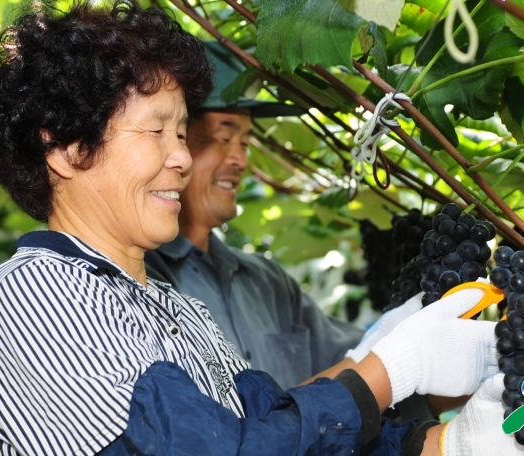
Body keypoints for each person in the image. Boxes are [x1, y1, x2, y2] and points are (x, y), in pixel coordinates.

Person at [0, 2, 524, 455]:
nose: (180, 155)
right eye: (156, 130)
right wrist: (394, 367)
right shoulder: (32, 299)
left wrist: (453, 444)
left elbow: (278, 430)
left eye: (182, 132)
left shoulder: (175, 311)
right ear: (64, 148)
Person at [144, 42, 365, 390]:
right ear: (176, 141)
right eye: (223, 137)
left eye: (244, 143)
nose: (240, 160)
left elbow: (361, 360)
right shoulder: (139, 279)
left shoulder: (270, 283)